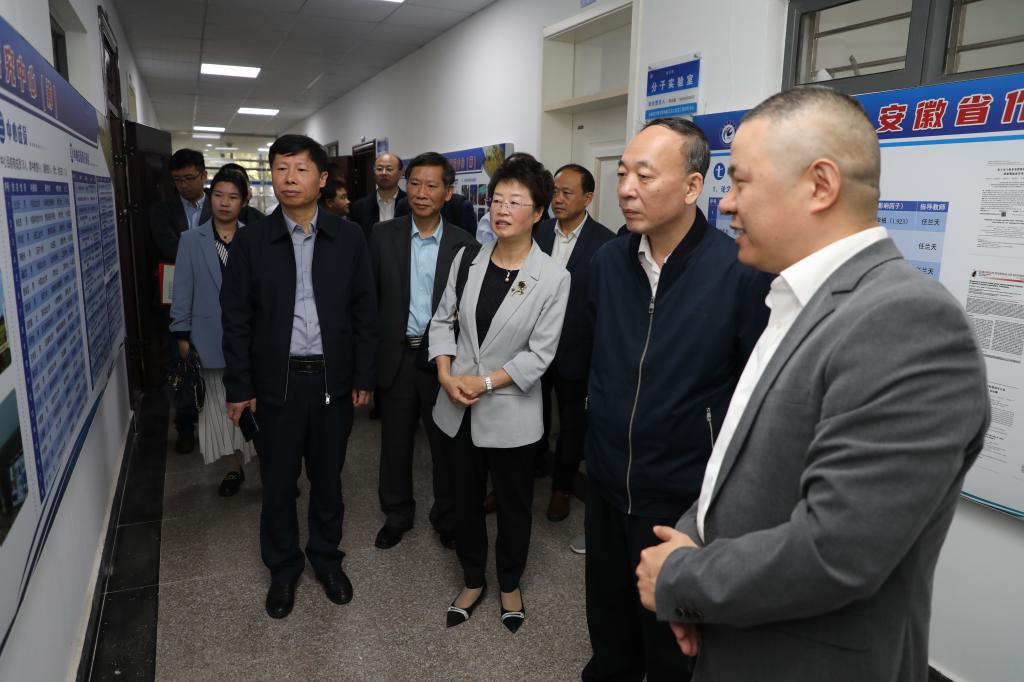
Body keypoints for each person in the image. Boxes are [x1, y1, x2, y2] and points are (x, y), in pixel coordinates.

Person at [635, 87, 989, 682]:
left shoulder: (907, 320)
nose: (726, 204)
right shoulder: (798, 300)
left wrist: (682, 578)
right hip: (741, 637)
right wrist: (691, 546)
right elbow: (741, 463)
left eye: (741, 182)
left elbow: (839, 550)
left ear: (820, 185)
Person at [582, 118, 772, 682]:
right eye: (622, 174)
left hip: (681, 498)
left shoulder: (738, 271)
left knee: (672, 646)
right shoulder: (607, 262)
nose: (626, 189)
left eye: (644, 176)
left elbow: (754, 397)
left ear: (692, 186)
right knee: (609, 628)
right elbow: (590, 358)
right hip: (608, 484)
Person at [221, 134, 379, 619]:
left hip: (332, 380)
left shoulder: (349, 237)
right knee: (278, 482)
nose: (289, 179)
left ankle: (327, 559)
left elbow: (365, 311)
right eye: (281, 169)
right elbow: (236, 318)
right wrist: (240, 386)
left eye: (301, 169)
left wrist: (363, 374)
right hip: (277, 383)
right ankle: (283, 568)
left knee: (328, 479)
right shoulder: (252, 240)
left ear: (322, 178)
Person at [429, 155, 569, 632]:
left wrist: (485, 382)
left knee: (513, 506)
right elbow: (443, 321)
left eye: (515, 201)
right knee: (464, 500)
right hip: (457, 405)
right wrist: (446, 375)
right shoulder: (468, 259)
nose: (502, 209)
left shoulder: (553, 277)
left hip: (511, 411)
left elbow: (539, 355)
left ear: (538, 212)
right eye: (497, 200)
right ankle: (473, 578)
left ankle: (509, 581)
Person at [370, 152, 478, 551]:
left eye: (432, 185)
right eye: (414, 183)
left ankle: (446, 516)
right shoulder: (382, 235)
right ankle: (397, 514)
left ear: (448, 192)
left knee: (445, 445)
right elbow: (369, 301)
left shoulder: (465, 245)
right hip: (396, 357)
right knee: (395, 442)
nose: (421, 192)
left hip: (442, 362)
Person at [169, 168, 256, 495]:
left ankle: (267, 464)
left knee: (256, 403)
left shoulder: (254, 237)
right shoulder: (191, 240)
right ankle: (233, 469)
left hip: (251, 339)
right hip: (208, 338)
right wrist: (181, 335)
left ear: (244, 201)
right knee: (219, 408)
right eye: (218, 195)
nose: (224, 202)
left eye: (233, 197)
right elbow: (182, 290)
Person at [533, 163, 612, 522]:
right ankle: (526, 472)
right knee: (530, 415)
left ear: (588, 197)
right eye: (554, 192)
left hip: (576, 351)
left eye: (567, 193)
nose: (558, 199)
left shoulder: (605, 243)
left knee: (571, 424)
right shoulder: (537, 232)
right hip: (533, 346)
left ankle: (562, 488)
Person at [151, 148, 211, 455]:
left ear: (203, 175)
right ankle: (185, 426)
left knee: (217, 364)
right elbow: (170, 248)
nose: (183, 185)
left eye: (189, 178)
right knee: (182, 363)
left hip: (216, 300)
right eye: (177, 180)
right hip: (179, 302)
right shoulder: (162, 211)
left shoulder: (220, 204)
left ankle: (220, 424)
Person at [350, 152, 409, 240]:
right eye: (379, 169)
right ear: (374, 173)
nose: (383, 173)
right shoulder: (359, 207)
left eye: (389, 169)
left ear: (400, 173)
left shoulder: (410, 203)